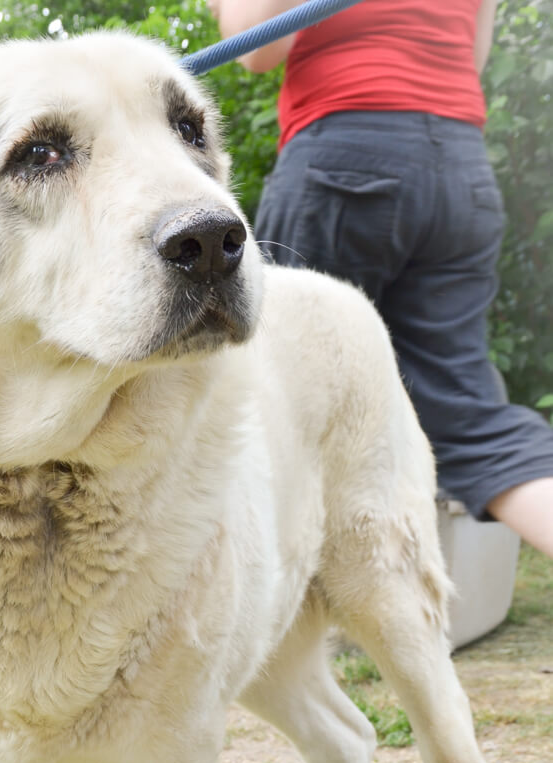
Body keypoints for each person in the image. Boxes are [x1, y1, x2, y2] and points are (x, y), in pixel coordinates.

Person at [208, 0, 553, 558]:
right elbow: (472, 56)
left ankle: (247, 587)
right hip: (458, 165)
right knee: (468, 418)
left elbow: (255, 44)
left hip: (346, 151)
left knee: (270, 390)